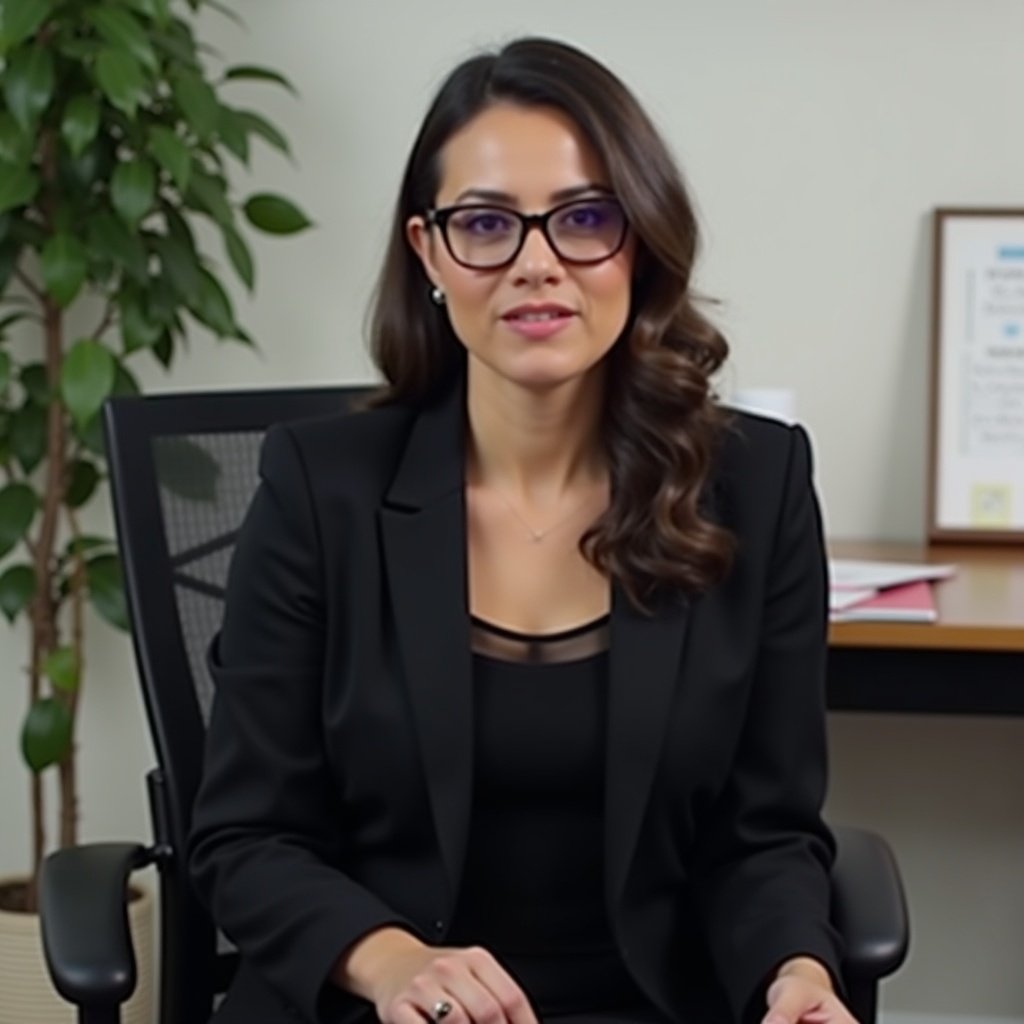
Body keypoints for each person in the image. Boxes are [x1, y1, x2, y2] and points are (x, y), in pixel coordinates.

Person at [188, 36, 856, 1024]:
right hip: (384, 1008)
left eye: (585, 218)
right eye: (487, 224)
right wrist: (390, 962)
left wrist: (797, 974)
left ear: (639, 242)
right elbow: (246, 836)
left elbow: (763, 835)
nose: (536, 264)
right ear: (427, 252)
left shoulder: (755, 487)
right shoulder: (316, 488)